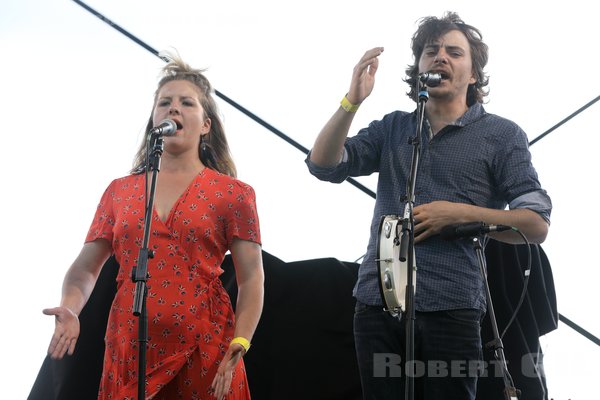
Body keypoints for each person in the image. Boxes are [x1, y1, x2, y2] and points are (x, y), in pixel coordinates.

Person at [305, 11, 551, 400]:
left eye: (454, 52)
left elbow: (535, 223)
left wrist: (462, 214)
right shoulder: (394, 127)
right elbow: (323, 164)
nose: (440, 57)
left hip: (452, 305)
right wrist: (351, 102)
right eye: (430, 51)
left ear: (473, 74)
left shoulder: (501, 135)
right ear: (418, 68)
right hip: (377, 299)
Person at [43, 52, 264, 400]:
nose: (173, 109)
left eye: (186, 103)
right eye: (164, 103)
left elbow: (252, 277)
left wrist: (241, 340)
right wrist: (70, 307)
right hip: (130, 347)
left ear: (206, 124)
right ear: (153, 121)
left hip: (206, 344)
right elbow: (85, 270)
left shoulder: (233, 194)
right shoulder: (120, 192)